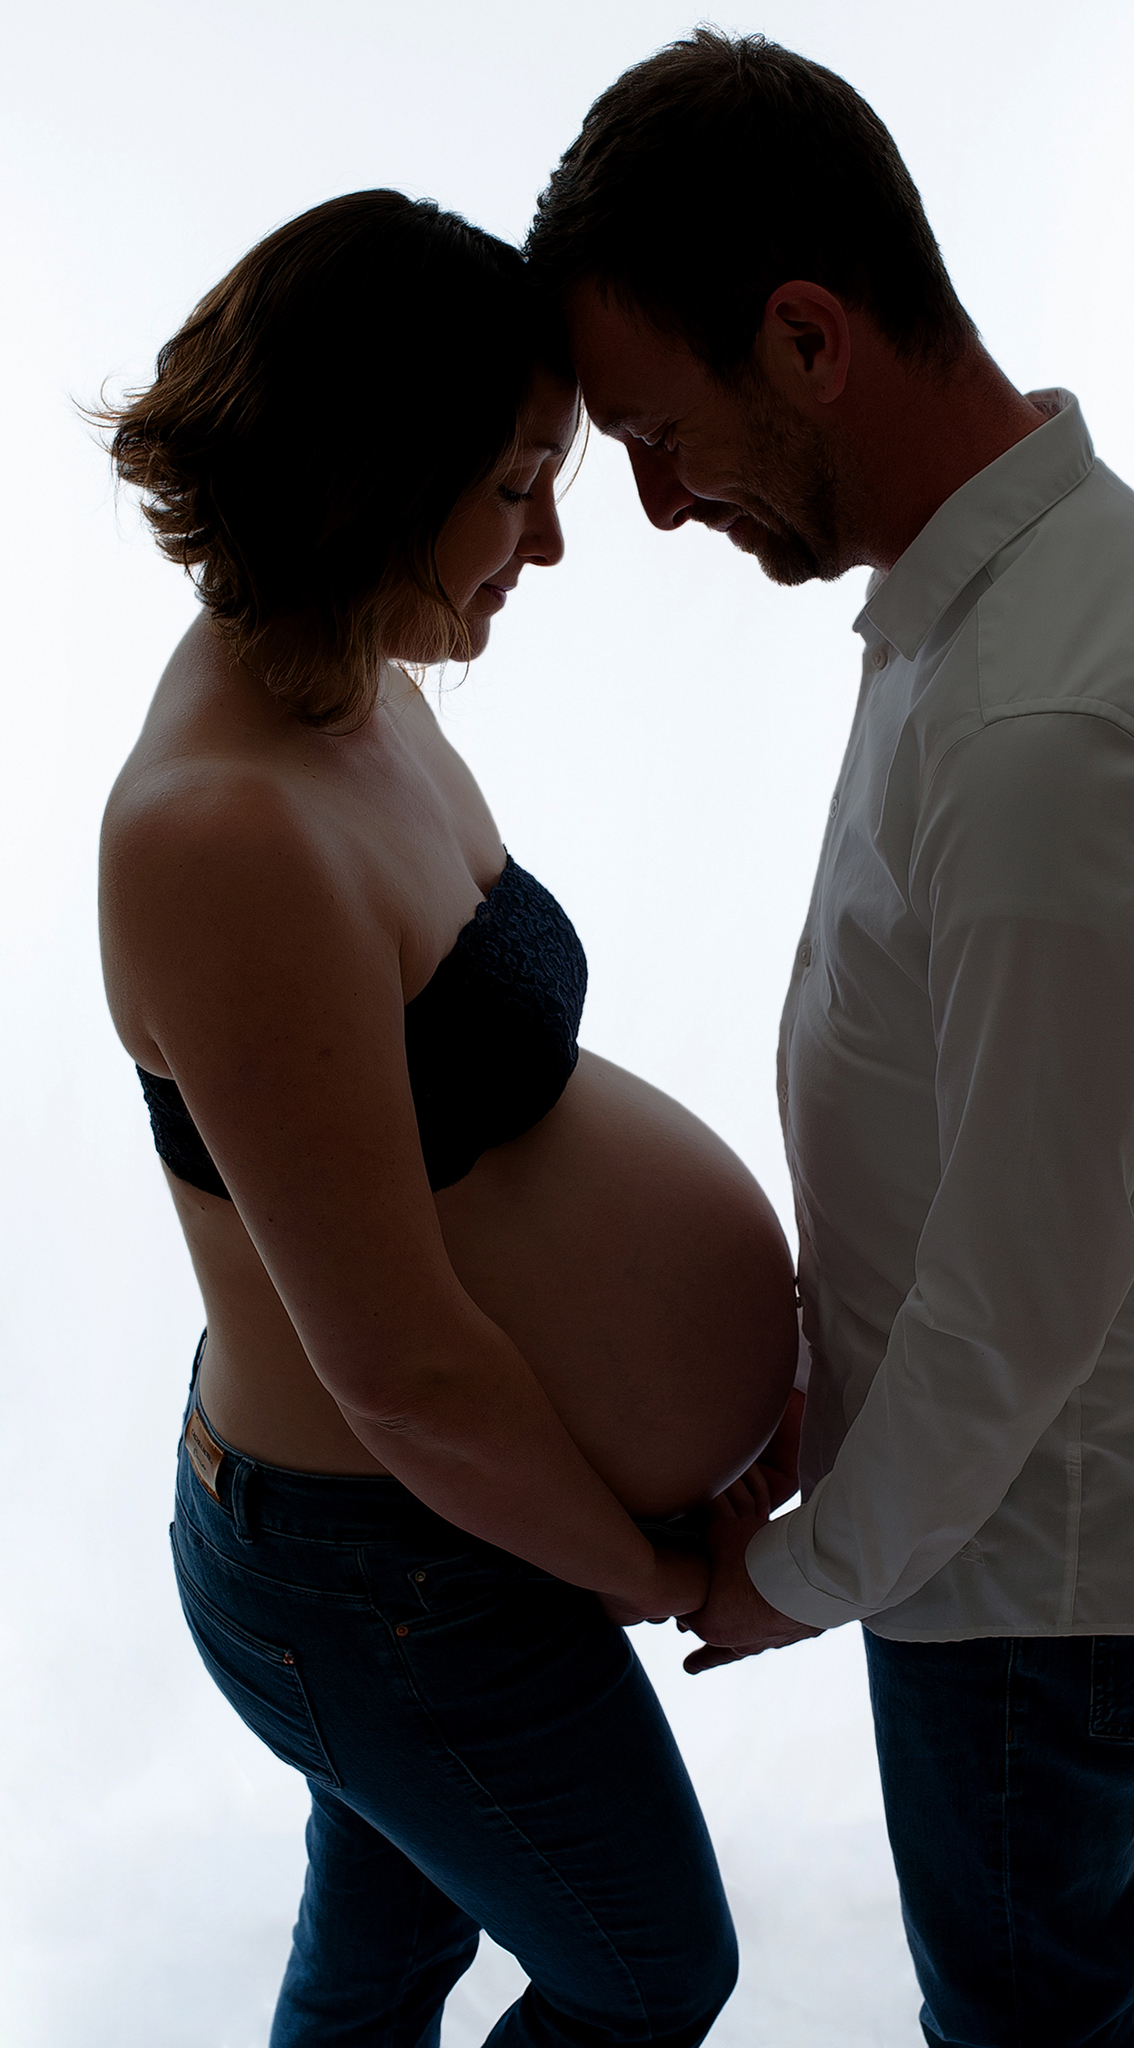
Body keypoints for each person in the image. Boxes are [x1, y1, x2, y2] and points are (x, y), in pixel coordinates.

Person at [526, 30, 1134, 2048]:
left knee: (1021, 2017)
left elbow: (1024, 1290)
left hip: (1025, 1556)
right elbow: (953, 1130)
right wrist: (807, 1402)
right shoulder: (982, 598)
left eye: (659, 434)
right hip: (983, 1506)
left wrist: (796, 1566)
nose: (656, 501)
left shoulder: (1049, 724)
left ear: (803, 335)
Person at [96, 188, 801, 2048]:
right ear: (367, 470)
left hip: (443, 1539)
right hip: (380, 1574)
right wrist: (654, 1567)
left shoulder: (355, 698)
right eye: (514, 484)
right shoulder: (220, 830)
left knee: (383, 1958)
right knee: (652, 1971)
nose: (553, 542)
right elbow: (403, 1368)